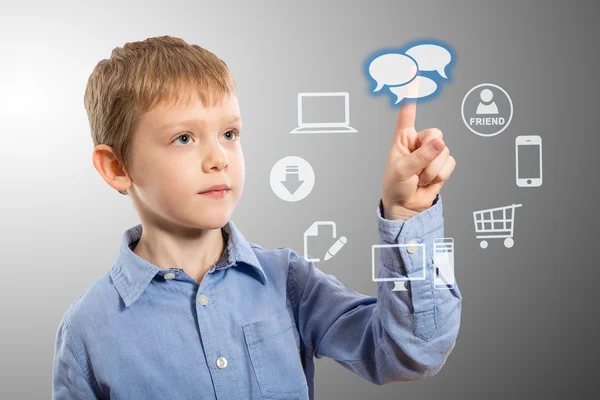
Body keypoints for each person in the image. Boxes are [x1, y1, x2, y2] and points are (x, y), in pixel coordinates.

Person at [52, 35, 461, 400]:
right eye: (183, 138)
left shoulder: (289, 281)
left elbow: (411, 353)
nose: (218, 159)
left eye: (229, 134)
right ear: (117, 167)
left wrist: (407, 215)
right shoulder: (88, 330)